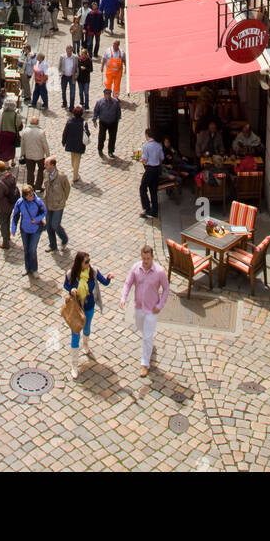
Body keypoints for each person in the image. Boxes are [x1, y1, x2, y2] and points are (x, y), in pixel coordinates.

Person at [119, 245, 170, 377]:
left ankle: (144, 363)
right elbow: (128, 283)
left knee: (147, 337)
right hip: (139, 307)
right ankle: (149, 345)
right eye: (143, 258)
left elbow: (166, 289)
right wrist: (123, 298)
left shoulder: (159, 272)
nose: (145, 261)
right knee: (141, 329)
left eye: (147, 258)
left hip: (152, 309)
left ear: (152, 257)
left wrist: (160, 305)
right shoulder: (136, 268)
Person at [63, 251, 113, 379]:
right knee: (75, 335)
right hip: (76, 309)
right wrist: (71, 290)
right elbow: (66, 285)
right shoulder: (71, 274)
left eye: (89, 261)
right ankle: (74, 364)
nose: (89, 264)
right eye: (86, 262)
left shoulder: (93, 271)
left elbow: (104, 282)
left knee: (87, 329)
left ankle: (85, 344)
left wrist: (108, 278)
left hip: (89, 308)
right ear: (79, 263)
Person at [11, 184, 47, 278]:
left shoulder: (38, 201)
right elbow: (15, 215)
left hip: (35, 229)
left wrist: (37, 219)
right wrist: (13, 228)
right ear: (25, 196)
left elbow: (44, 211)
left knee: (32, 249)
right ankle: (27, 268)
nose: (32, 196)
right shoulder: (20, 203)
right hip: (24, 229)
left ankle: (34, 269)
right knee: (26, 249)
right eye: (29, 195)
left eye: (32, 194)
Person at [43, 156, 71, 253]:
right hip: (47, 204)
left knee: (55, 224)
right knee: (49, 226)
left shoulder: (61, 177)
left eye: (46, 164)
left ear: (53, 165)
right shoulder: (45, 173)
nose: (45, 166)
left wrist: (62, 199)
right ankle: (53, 245)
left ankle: (64, 239)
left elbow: (67, 188)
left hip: (58, 205)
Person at [0, 160, 19, 249]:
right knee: (7, 220)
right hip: (11, 203)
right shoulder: (11, 176)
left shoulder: (1, 181)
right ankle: (7, 237)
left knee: (3, 223)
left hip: (3, 206)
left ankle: (5, 242)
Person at [20, 114, 50, 190]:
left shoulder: (25, 131)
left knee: (30, 171)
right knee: (41, 170)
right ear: (37, 123)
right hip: (39, 156)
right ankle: (38, 186)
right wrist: (48, 156)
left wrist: (22, 154)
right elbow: (45, 145)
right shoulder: (41, 132)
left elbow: (22, 144)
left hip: (29, 156)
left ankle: (30, 187)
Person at [139, 129, 164, 218]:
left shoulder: (146, 146)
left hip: (150, 169)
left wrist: (144, 162)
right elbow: (161, 158)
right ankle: (155, 210)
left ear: (147, 135)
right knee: (153, 190)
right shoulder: (159, 145)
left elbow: (144, 159)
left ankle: (147, 208)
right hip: (156, 169)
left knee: (143, 188)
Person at [62, 106, 90, 182]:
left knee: (73, 157)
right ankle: (75, 176)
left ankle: (74, 170)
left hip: (71, 142)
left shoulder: (69, 121)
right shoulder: (84, 123)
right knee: (77, 159)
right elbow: (88, 133)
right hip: (79, 143)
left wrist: (63, 141)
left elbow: (65, 132)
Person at [92, 87, 121, 158]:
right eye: (106, 94)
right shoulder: (100, 102)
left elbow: (118, 111)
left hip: (113, 122)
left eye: (108, 94)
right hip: (103, 122)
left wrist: (117, 119)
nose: (107, 95)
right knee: (101, 137)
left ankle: (110, 151)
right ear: (104, 95)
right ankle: (100, 149)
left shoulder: (115, 102)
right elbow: (96, 111)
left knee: (112, 137)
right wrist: (94, 120)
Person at [0, 95, 22, 163]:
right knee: (11, 149)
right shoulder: (16, 115)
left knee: (4, 149)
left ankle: (5, 163)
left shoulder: (2, 113)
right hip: (12, 134)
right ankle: (12, 161)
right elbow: (19, 125)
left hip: (3, 133)